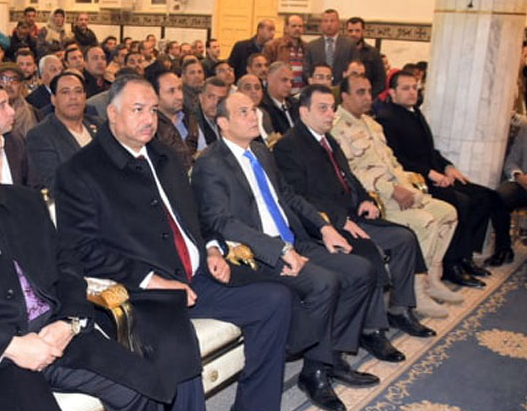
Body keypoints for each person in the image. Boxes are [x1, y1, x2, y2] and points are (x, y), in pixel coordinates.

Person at [0, 111, 170, 411]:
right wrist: (11, 345)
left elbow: (67, 264)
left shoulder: (26, 201)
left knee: (145, 388)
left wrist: (68, 322)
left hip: (56, 334)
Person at [55, 75, 292, 411]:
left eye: (153, 110)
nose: (149, 119)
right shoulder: (80, 171)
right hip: (142, 293)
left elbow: (194, 217)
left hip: (196, 276)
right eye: (138, 109)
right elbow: (83, 250)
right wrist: (154, 281)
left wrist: (212, 248)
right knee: (179, 351)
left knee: (275, 299)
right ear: (112, 113)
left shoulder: (164, 156)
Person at [192, 92, 398, 411]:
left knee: (361, 271)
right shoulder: (210, 163)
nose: (253, 116)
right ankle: (313, 366)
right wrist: (277, 250)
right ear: (222, 123)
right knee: (325, 283)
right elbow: (220, 221)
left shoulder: (261, 151)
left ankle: (325, 359)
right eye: (243, 112)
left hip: (294, 240)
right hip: (259, 252)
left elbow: (288, 196)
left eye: (253, 110)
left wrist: (324, 226)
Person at [275, 85, 441, 323]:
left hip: (353, 215)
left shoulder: (328, 139)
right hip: (325, 224)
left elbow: (348, 176)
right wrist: (339, 220)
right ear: (304, 111)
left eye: (332, 108)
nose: (330, 114)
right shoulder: (289, 146)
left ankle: (401, 309)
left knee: (404, 238)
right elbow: (299, 197)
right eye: (322, 108)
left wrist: (365, 198)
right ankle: (372, 327)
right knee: (368, 254)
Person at [331, 73, 463, 309]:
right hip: (378, 199)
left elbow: (392, 163)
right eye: (360, 92)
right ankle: (415, 291)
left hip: (400, 190)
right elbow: (350, 174)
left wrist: (407, 186)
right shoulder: (337, 128)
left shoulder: (372, 124)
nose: (368, 97)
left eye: (369, 91)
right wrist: (392, 190)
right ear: (345, 96)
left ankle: (432, 279)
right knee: (426, 222)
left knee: (448, 213)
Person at [376, 71, 505, 288]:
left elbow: (430, 150)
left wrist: (448, 166)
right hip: (417, 180)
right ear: (392, 92)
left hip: (435, 173)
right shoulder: (387, 119)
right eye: (406, 88)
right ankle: (451, 265)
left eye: (414, 88)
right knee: (460, 203)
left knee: (486, 197)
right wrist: (431, 173)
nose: (412, 92)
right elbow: (398, 159)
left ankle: (465, 258)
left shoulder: (415, 112)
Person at [26, 71, 102, 194]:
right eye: (65, 92)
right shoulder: (40, 135)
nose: (73, 97)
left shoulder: (100, 124)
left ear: (85, 96)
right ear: (53, 99)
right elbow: (56, 184)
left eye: (78, 91)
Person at [491, 123, 527, 265]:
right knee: (500, 196)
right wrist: (518, 176)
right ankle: (503, 249)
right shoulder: (525, 128)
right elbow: (511, 161)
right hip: (523, 183)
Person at [150, 71, 198, 170]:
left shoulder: (189, 117)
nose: (180, 96)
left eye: (180, 89)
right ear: (155, 96)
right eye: (171, 91)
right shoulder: (151, 126)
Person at [305, 9, 358, 83]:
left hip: (342, 86)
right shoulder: (312, 46)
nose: (329, 24)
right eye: (325, 21)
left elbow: (355, 68)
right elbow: (307, 70)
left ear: (339, 23)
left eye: (332, 21)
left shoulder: (349, 45)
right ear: (321, 24)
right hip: (319, 86)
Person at [0, 62, 40, 138]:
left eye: (14, 80)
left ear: (21, 86)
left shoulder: (34, 114)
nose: (8, 84)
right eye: (2, 79)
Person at [263, 15, 307, 93]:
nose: (297, 29)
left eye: (300, 26)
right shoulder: (273, 46)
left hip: (301, 93)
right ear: (286, 28)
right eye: (293, 26)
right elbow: (265, 70)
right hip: (280, 92)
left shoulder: (307, 47)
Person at [345, 17, 387, 96]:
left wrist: (369, 96)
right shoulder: (341, 52)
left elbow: (381, 80)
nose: (353, 34)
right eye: (350, 31)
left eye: (357, 31)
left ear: (363, 31)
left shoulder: (373, 53)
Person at [260, 62, 299, 134]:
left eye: (291, 81)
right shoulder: (262, 108)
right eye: (284, 80)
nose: (289, 85)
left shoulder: (296, 104)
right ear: (269, 78)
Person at [236, 74, 274, 142]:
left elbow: (272, 139)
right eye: (248, 88)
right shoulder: (236, 117)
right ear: (238, 92)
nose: (254, 91)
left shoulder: (263, 113)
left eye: (257, 88)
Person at [195, 77, 228, 150]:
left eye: (221, 99)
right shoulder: (192, 123)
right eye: (211, 97)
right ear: (201, 98)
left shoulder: (228, 120)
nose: (215, 103)